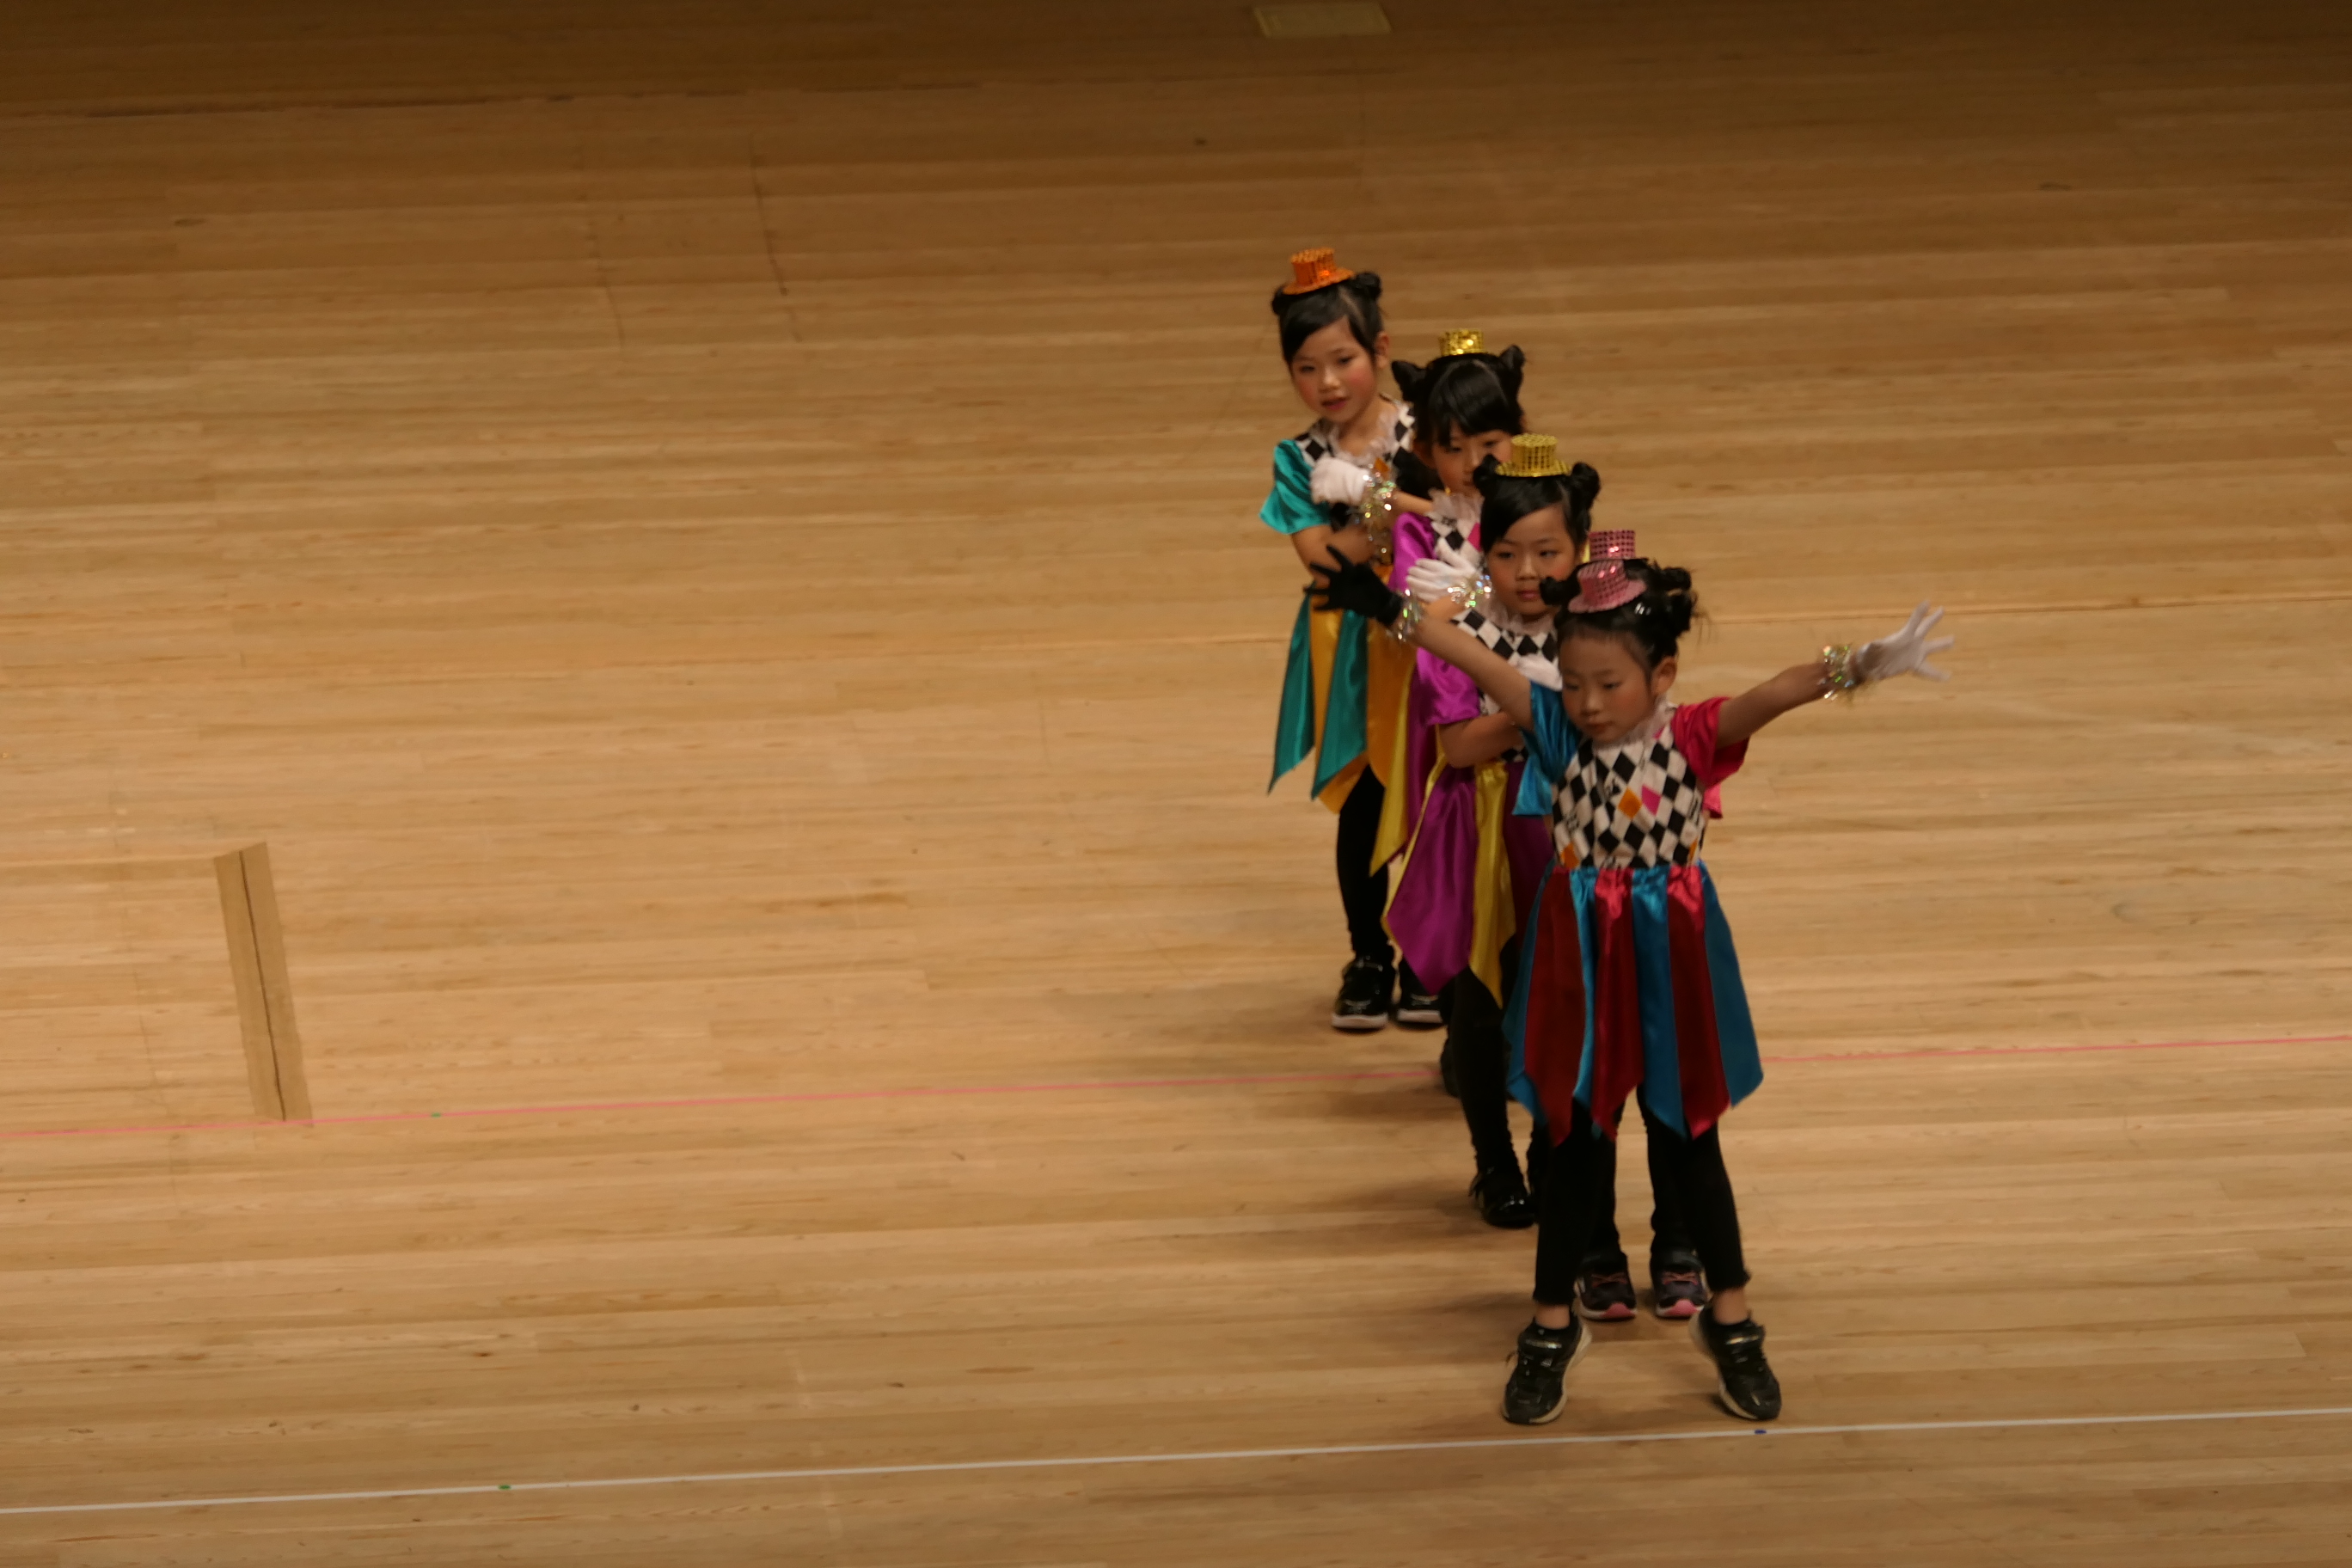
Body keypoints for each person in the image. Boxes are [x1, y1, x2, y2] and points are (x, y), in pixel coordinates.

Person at [1311, 526, 1953, 1424]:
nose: (1587, 703)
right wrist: (1385, 606)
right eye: (1572, 682)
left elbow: (1774, 692)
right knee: (1574, 1142)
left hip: (1670, 955)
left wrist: (1863, 664)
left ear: (1662, 676)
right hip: (1578, 959)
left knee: (1690, 1140)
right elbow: (1468, 653)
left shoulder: (1693, 735)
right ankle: (1550, 1324)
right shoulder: (1550, 727)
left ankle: (1731, 1321)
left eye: (1608, 684)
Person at [1259, 248, 1435, 1031]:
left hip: (1430, 635)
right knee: (1364, 802)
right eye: (1306, 368)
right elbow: (1323, 559)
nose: (1327, 382)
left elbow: (1460, 520)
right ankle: (1369, 955)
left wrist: (1375, 502)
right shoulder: (1297, 459)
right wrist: (1394, 511)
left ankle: (1429, 953)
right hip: (1349, 648)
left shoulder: (1428, 433)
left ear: (1381, 350)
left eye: (1343, 360)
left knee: (1433, 795)